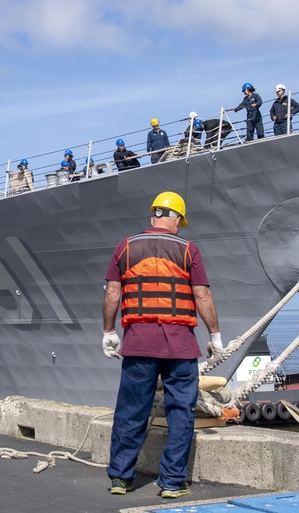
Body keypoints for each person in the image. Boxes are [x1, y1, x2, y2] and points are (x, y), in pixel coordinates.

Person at [102, 192, 221, 498]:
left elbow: (113, 293)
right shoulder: (188, 250)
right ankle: (172, 482)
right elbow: (202, 296)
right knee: (180, 411)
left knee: (130, 410)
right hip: (180, 346)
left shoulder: (125, 247)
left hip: (138, 343)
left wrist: (108, 332)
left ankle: (121, 478)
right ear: (177, 218)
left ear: (154, 215)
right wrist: (215, 336)